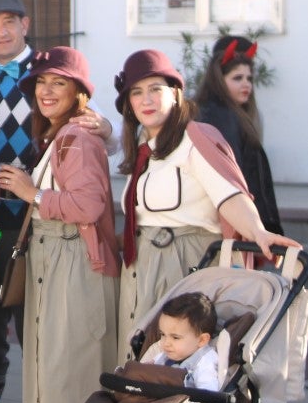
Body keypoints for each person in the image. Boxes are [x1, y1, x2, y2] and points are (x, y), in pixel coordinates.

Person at [0, 0, 115, 403]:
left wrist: (107, 130)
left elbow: (93, 137)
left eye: (10, 21)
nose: (2, 31)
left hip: (46, 229)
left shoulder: (54, 77)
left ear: (25, 24)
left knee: (42, 342)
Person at [115, 49, 298, 356]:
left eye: (156, 89)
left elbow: (229, 194)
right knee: (139, 360)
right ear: (129, 105)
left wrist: (257, 231)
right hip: (141, 269)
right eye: (137, 92)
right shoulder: (144, 150)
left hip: (185, 264)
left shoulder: (196, 137)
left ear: (175, 93)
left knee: (175, 362)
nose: (146, 100)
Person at [0, 47, 119, 403]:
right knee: (55, 368)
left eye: (59, 83)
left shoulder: (76, 138)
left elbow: (89, 204)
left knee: (68, 370)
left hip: (72, 262)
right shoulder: (57, 136)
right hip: (57, 260)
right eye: (41, 83)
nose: (47, 91)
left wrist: (31, 194)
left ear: (79, 92)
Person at [193, 36, 281, 235]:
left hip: (241, 217)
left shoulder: (238, 114)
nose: (246, 84)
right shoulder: (219, 115)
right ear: (219, 80)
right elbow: (230, 174)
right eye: (237, 78)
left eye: (249, 78)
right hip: (230, 219)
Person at [151, 292, 222, 403]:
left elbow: (208, 393)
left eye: (175, 337)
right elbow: (150, 370)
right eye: (162, 334)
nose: (165, 343)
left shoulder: (205, 361)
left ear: (202, 340)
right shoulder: (165, 356)